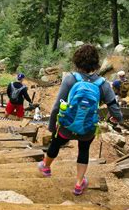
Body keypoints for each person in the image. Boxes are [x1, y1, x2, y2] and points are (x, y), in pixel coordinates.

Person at [39, 44, 123, 196]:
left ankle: (46, 167)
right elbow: (113, 105)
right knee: (83, 150)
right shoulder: (103, 84)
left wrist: (52, 126)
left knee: (56, 142)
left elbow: (57, 105)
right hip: (87, 128)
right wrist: (117, 118)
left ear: (77, 61)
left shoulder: (70, 79)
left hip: (66, 126)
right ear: (95, 63)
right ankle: (78, 184)